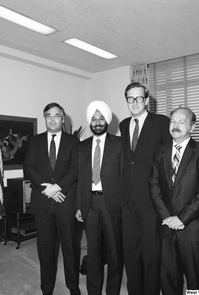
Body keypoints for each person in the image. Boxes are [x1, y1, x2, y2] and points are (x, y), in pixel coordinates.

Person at [148, 106, 199, 294]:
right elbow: (153, 186)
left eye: (181, 121)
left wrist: (181, 219)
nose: (175, 125)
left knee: (196, 279)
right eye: (172, 121)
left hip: (193, 227)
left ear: (192, 127)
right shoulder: (160, 151)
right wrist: (167, 217)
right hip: (166, 226)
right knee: (168, 277)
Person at [119, 82, 172, 295]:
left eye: (138, 98)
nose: (134, 102)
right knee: (130, 252)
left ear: (146, 100)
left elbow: (169, 161)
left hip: (151, 199)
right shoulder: (123, 125)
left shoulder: (161, 122)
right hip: (127, 199)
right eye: (130, 99)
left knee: (151, 253)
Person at [24, 102, 81, 295]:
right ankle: (46, 289)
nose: (52, 119)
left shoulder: (73, 142)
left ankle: (73, 287)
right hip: (42, 204)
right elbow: (29, 168)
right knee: (45, 250)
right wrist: (46, 189)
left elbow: (75, 170)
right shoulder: (34, 141)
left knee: (71, 249)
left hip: (66, 203)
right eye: (48, 115)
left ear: (63, 119)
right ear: (44, 118)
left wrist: (57, 188)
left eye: (56, 115)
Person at [75, 100, 123, 295]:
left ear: (107, 120)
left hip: (112, 204)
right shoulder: (82, 147)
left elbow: (124, 177)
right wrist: (79, 206)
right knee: (92, 252)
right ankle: (93, 291)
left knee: (114, 253)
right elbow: (80, 179)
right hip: (90, 205)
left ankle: (113, 291)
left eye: (101, 118)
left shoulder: (120, 144)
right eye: (93, 119)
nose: (97, 122)